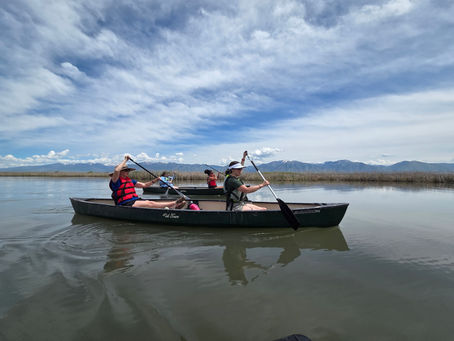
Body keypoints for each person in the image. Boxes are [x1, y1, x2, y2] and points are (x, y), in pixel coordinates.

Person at [109, 156, 186, 209]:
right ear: (121, 172)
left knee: (149, 202)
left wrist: (156, 180)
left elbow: (145, 185)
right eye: (126, 170)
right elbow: (116, 170)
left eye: (128, 170)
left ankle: (173, 205)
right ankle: (174, 203)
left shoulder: (130, 181)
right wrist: (125, 160)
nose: (128, 172)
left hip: (134, 200)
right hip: (125, 203)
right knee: (150, 204)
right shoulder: (116, 181)